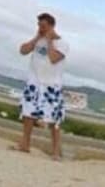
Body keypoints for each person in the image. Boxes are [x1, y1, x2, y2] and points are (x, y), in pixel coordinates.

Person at [15, 13, 69, 160]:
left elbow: (53, 59)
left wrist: (50, 41)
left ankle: (56, 152)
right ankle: (25, 144)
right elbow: (23, 50)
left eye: (43, 26)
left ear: (51, 26)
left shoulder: (63, 43)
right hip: (34, 82)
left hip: (51, 86)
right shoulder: (38, 40)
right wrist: (36, 38)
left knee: (54, 120)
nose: (41, 28)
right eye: (39, 25)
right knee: (28, 113)